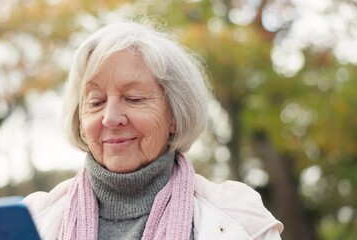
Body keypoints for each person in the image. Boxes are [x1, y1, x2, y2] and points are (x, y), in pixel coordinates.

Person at [24, 20, 284, 239]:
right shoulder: (31, 222)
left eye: (134, 98)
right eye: (96, 102)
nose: (110, 118)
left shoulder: (241, 222)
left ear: (175, 115)